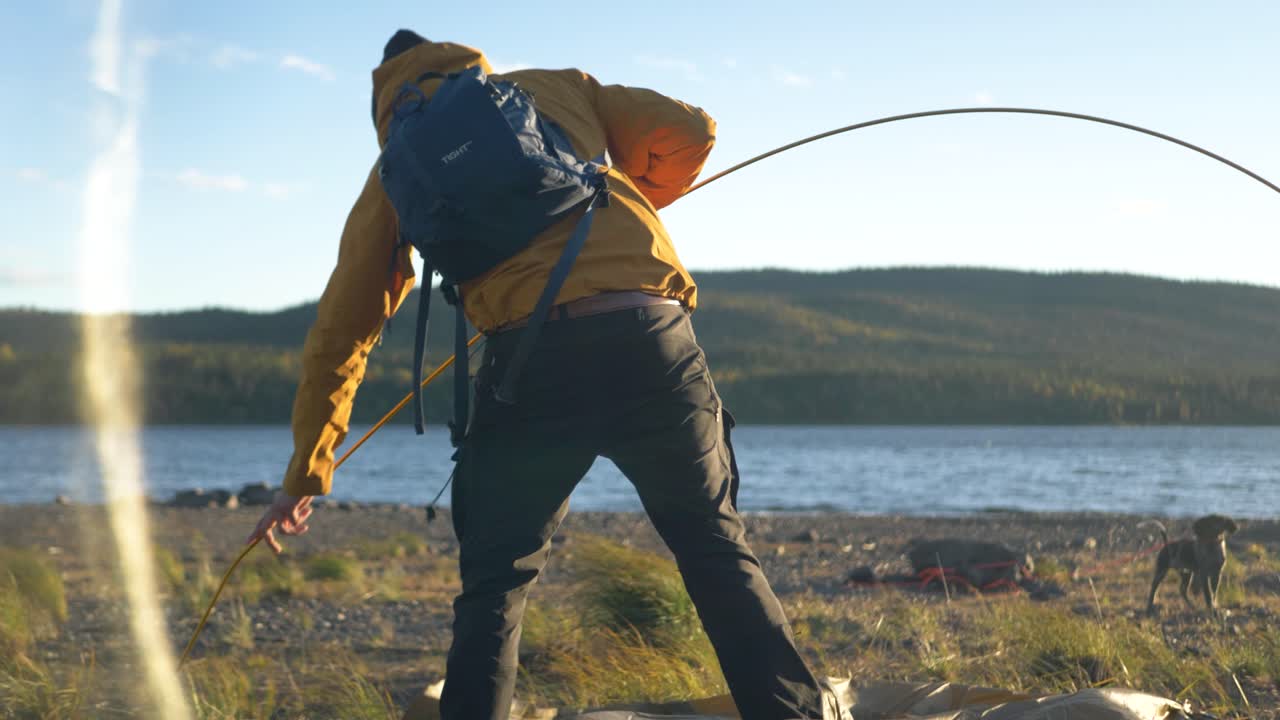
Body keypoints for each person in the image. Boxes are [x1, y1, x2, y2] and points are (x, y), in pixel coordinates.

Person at [248, 30, 835, 720]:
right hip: (649, 337)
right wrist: (642, 195)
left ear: (384, 94)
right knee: (712, 547)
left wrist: (307, 474)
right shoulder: (556, 87)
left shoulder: (396, 170)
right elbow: (691, 129)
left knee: (496, 585)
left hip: (527, 369)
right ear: (467, 59)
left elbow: (341, 334)